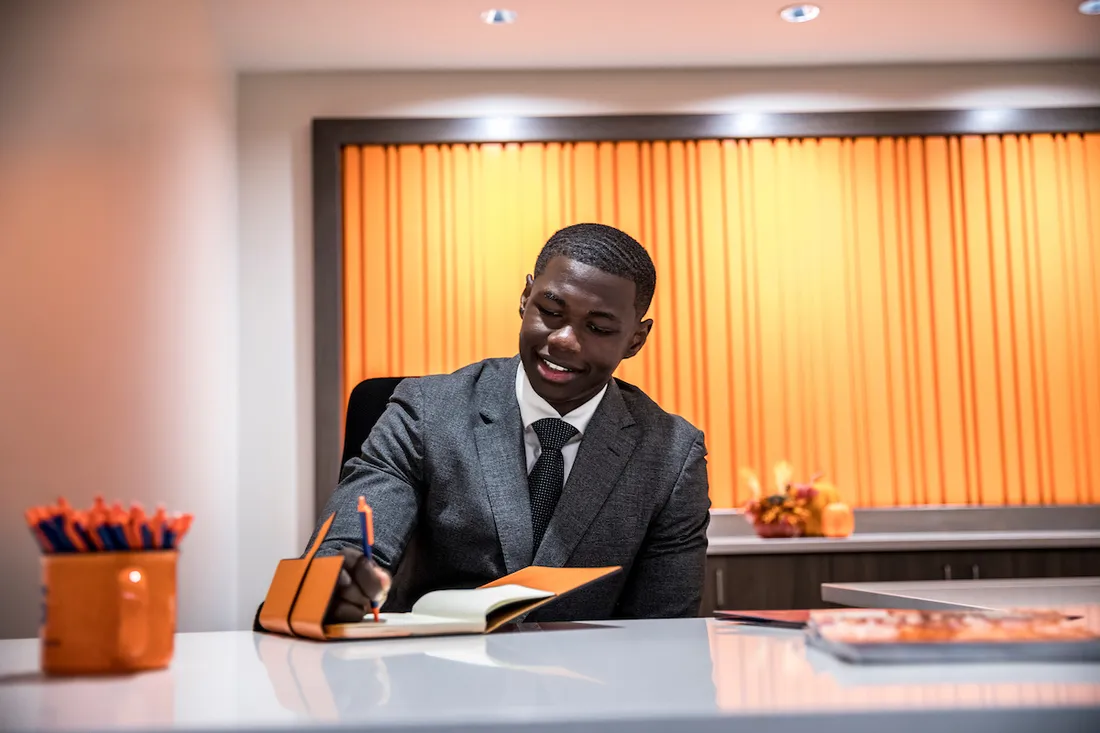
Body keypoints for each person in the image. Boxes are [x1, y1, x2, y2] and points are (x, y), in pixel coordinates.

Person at [312, 223, 711, 623]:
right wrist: (338, 583)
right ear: (525, 298)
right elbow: (343, 554)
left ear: (636, 340)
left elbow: (667, 630)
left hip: (588, 681)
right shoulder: (426, 412)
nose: (564, 341)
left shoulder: (671, 456)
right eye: (551, 312)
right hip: (434, 676)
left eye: (599, 328)